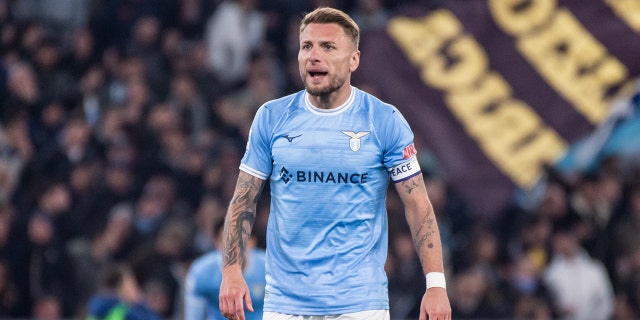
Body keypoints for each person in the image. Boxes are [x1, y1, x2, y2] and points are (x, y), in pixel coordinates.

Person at [219, 6, 451, 320]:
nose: (314, 55)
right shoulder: (271, 117)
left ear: (354, 59)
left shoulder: (384, 120)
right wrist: (232, 270)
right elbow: (244, 198)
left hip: (360, 303)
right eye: (306, 46)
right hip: (286, 304)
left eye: (328, 47)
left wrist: (436, 284)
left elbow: (417, 204)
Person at [184, 220, 266, 320]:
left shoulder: (269, 269)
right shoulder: (201, 272)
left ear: (252, 242)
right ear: (217, 243)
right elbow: (193, 316)